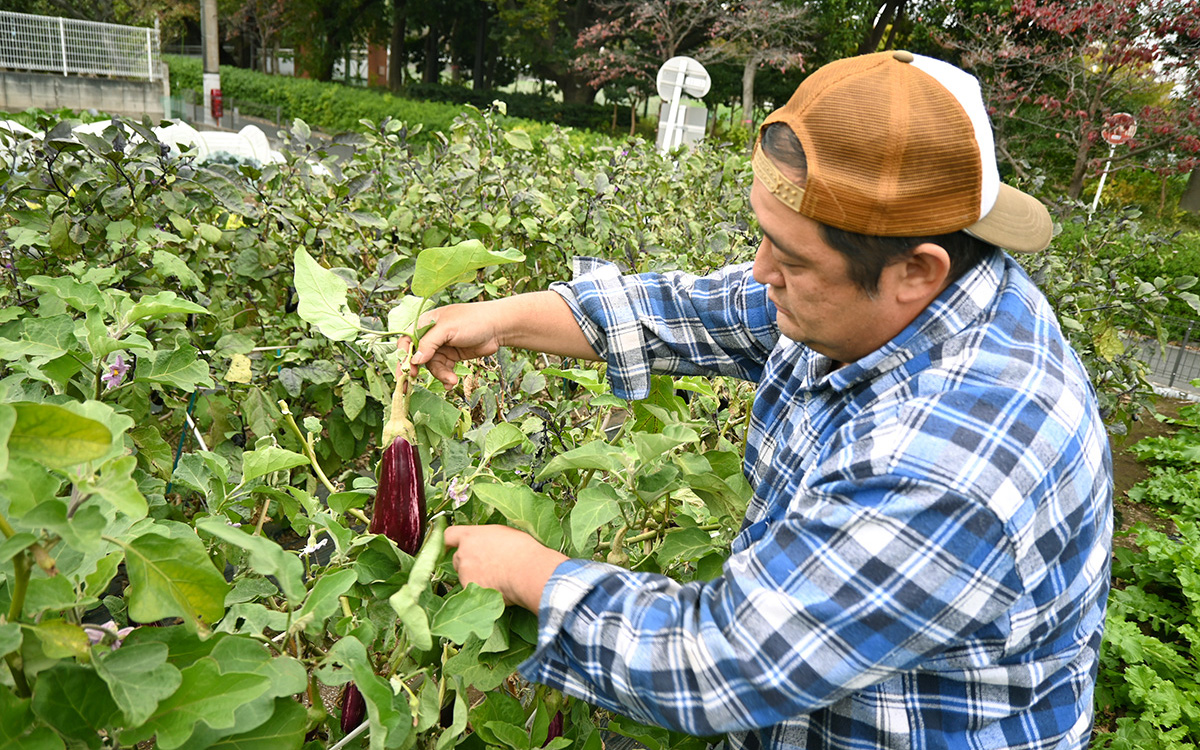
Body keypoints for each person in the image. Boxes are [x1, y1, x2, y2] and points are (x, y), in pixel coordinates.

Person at [409, 50, 1113, 750]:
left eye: (793, 258)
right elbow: (692, 309)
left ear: (914, 271)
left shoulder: (951, 460)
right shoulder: (894, 297)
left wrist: (532, 572)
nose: (760, 270)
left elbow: (719, 663)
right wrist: (501, 316)